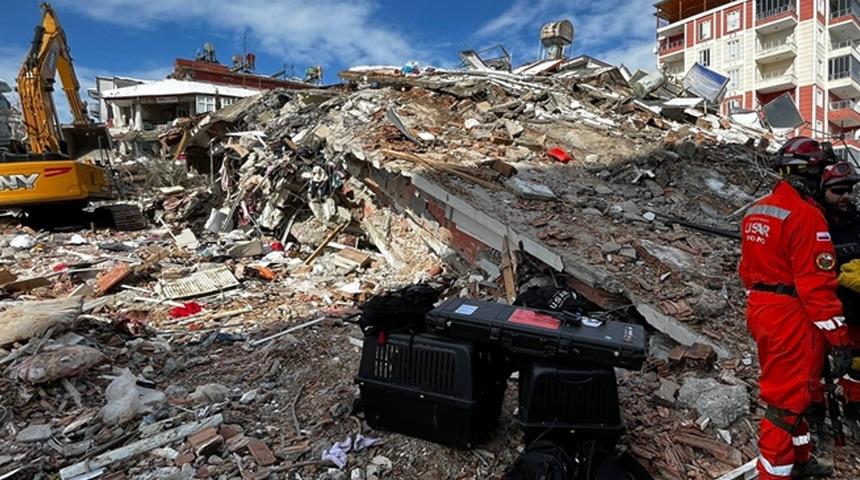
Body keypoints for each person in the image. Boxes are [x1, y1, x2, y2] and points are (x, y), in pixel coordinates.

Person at [738, 137, 853, 479]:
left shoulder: (758, 209)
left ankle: (799, 458)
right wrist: (840, 339)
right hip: (793, 315)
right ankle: (773, 473)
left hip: (763, 307)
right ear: (811, 175)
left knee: (802, 391)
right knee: (786, 404)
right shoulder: (806, 217)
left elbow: (747, 271)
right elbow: (817, 287)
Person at [807, 161, 860, 438]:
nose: (846, 197)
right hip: (823, 307)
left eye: (849, 190)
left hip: (856, 308)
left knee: (856, 363)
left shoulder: (857, 220)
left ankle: (854, 410)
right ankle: (815, 417)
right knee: (815, 364)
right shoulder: (814, 220)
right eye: (839, 191)